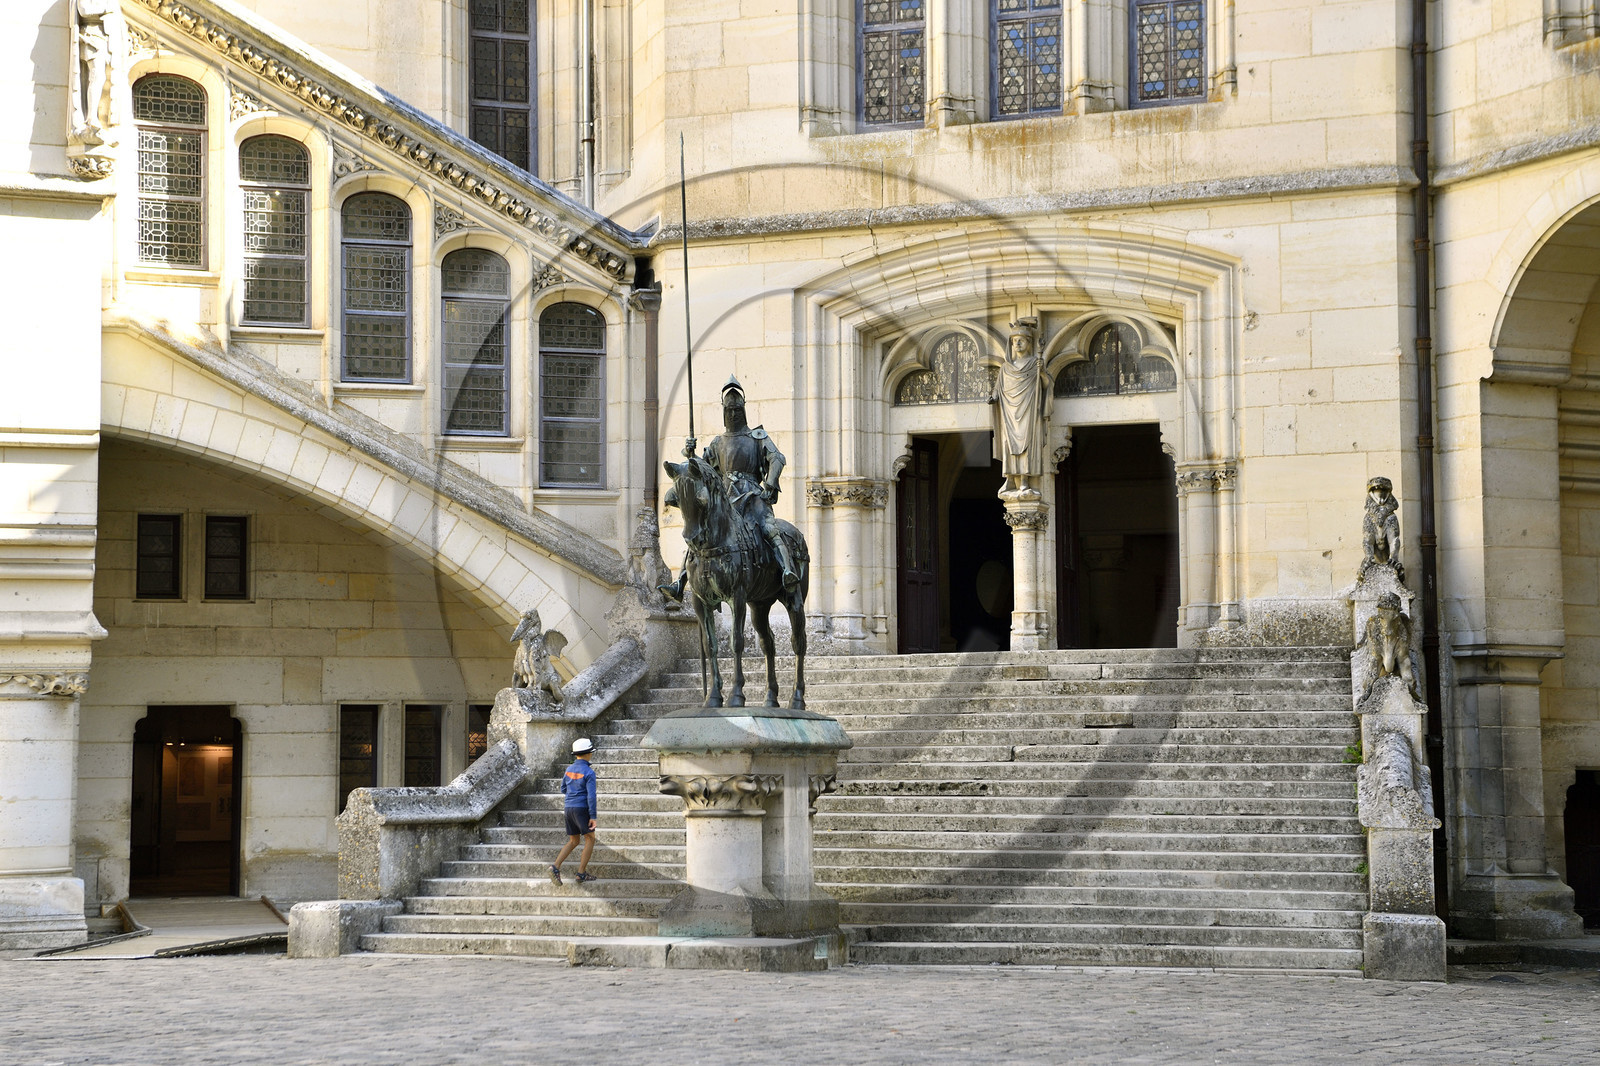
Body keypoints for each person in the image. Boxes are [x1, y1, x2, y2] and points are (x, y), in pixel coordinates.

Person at [659, 376, 798, 600]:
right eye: (729, 410)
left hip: (752, 495)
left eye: (736, 409)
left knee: (769, 528)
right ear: (723, 411)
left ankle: (787, 571)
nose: (733, 414)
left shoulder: (757, 437)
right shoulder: (717, 442)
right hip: (725, 498)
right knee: (700, 533)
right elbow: (700, 469)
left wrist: (770, 482)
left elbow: (777, 458)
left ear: (743, 409)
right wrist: (690, 453)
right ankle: (681, 580)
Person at [550, 738, 597, 885]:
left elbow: (563, 788)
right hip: (581, 809)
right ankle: (581, 873)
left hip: (568, 807)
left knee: (574, 840)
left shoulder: (569, 769)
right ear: (588, 754)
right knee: (590, 838)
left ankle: (555, 867)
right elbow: (591, 796)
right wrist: (593, 816)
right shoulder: (589, 772)